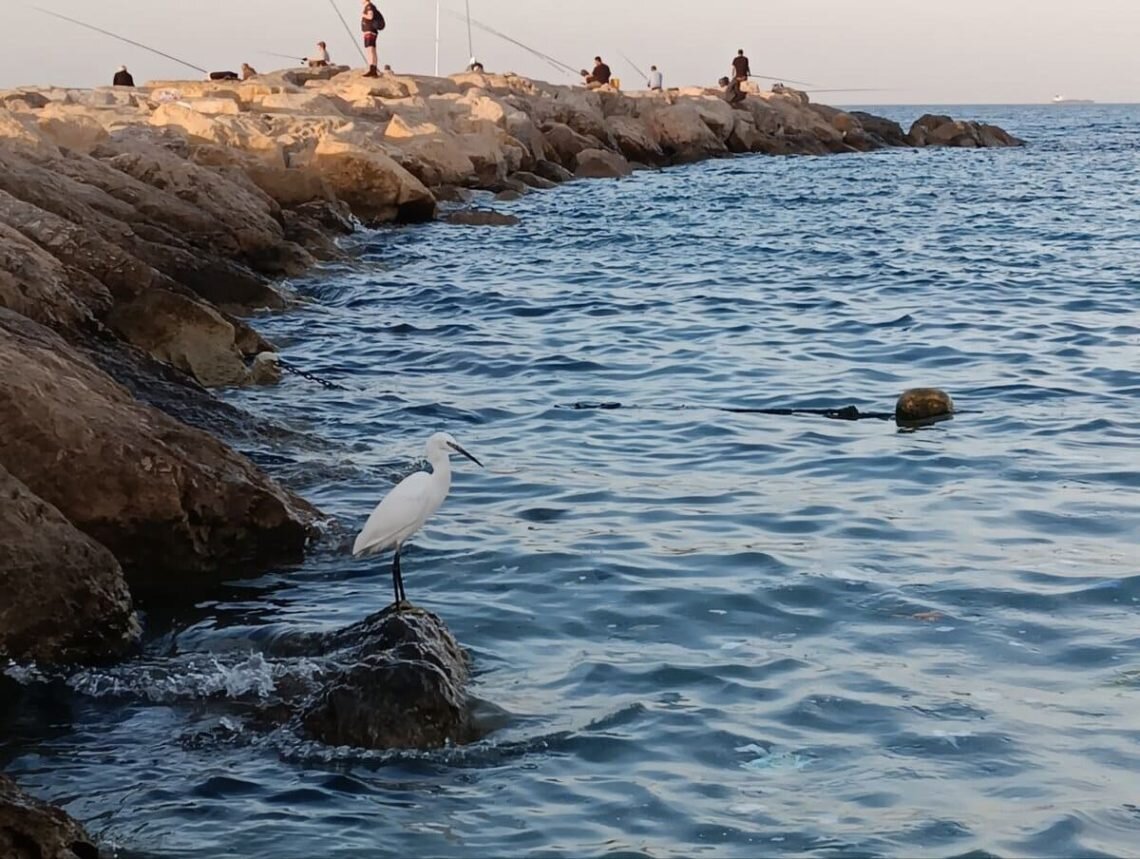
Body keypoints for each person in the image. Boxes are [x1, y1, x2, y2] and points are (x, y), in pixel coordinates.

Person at [361, 0, 383, 78]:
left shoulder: (369, 7)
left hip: (370, 31)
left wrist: (363, 15)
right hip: (371, 31)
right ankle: (373, 68)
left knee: (370, 50)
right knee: (372, 50)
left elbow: (370, 16)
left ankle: (372, 68)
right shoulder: (370, 6)